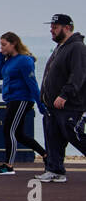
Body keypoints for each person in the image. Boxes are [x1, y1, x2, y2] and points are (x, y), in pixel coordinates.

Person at [36, 13, 86, 182]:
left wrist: (65, 94)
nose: (51, 30)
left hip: (70, 105)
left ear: (67, 28)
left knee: (76, 136)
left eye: (55, 27)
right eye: (51, 27)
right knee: (53, 137)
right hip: (52, 106)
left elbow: (78, 74)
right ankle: (55, 170)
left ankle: (55, 169)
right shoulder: (61, 47)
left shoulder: (77, 47)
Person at [0, 32, 45, 175]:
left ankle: (9, 166)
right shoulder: (9, 60)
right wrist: (0, 57)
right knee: (19, 134)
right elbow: (1, 75)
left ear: (13, 43)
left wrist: (40, 104)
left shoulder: (24, 61)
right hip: (11, 99)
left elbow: (32, 83)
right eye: (0, 45)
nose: (1, 47)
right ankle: (46, 155)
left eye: (4, 44)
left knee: (8, 130)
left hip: (22, 99)